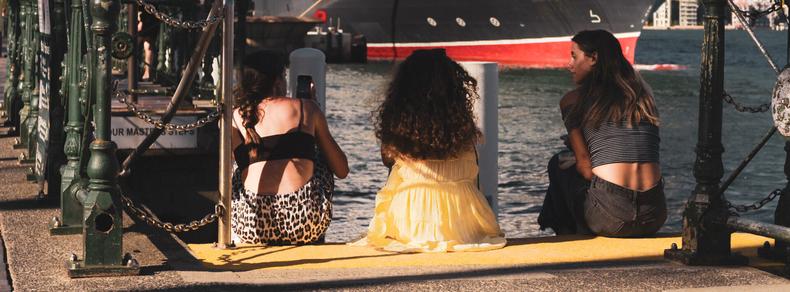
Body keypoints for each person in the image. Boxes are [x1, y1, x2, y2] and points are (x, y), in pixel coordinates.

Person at [351, 49, 506, 252]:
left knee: (397, 171)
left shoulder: (400, 125)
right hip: (462, 221)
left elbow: (387, 159)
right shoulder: (462, 126)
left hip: (412, 219)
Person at [538, 30, 666, 237]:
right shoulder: (643, 98)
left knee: (558, 165)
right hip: (654, 215)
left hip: (612, 218)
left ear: (594, 58)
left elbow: (585, 167)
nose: (569, 65)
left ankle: (567, 237)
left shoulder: (572, 101)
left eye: (574, 56)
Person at [231, 50, 349, 245]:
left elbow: (243, 166)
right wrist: (315, 110)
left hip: (251, 226)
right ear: (278, 81)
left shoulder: (236, 116)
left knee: (239, 170)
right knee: (320, 159)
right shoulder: (306, 107)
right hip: (304, 225)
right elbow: (342, 170)